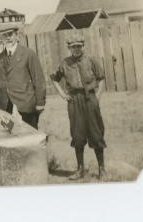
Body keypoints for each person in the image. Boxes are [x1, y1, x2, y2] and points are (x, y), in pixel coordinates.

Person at [50, 37, 107, 181]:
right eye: (73, 47)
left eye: (79, 46)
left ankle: (102, 169)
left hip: (90, 99)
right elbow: (54, 79)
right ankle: (80, 169)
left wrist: (97, 98)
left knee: (96, 132)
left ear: (83, 46)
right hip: (74, 101)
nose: (76, 49)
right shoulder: (65, 63)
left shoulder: (91, 60)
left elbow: (101, 78)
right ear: (69, 48)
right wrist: (63, 95)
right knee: (77, 133)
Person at [0, 24, 46, 129]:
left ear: (16, 35)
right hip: (5, 107)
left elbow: (39, 79)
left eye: (10, 34)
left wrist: (40, 102)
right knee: (9, 136)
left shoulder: (28, 54)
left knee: (29, 136)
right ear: (1, 38)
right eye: (4, 35)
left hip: (25, 104)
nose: (8, 38)